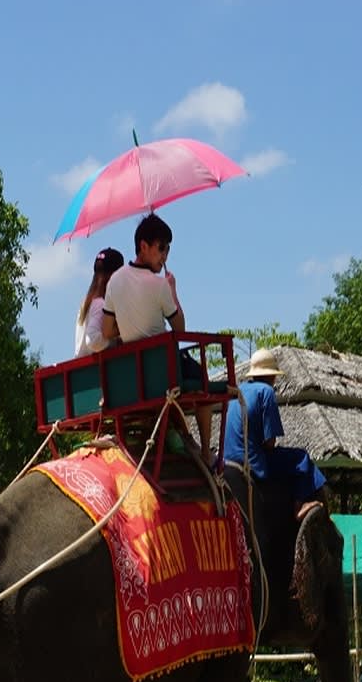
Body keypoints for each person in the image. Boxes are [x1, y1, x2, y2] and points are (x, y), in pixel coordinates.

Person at [101, 213, 215, 451]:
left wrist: (130, 324)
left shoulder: (114, 281)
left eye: (168, 249)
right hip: (164, 371)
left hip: (132, 373)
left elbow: (107, 331)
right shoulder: (160, 285)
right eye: (161, 248)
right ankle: (206, 451)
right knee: (203, 381)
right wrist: (172, 289)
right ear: (144, 246)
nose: (164, 256)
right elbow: (180, 328)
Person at [223, 346, 327, 511]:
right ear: (272, 376)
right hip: (252, 463)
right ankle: (300, 505)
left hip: (227, 460)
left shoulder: (238, 390)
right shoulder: (266, 392)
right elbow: (270, 443)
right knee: (302, 458)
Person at [74, 246, 124, 356]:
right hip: (96, 366)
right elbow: (93, 341)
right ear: (114, 275)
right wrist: (116, 340)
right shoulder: (100, 305)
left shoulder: (86, 303)